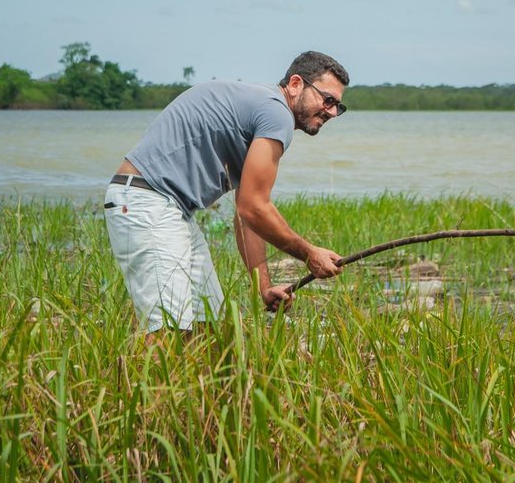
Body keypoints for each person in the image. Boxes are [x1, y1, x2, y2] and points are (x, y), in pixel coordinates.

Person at [104, 51, 349, 340]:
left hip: (171, 210)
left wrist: (263, 287)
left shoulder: (262, 110)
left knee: (209, 324)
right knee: (168, 330)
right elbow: (253, 208)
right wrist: (309, 254)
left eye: (338, 106)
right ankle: (143, 385)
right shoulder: (276, 114)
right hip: (147, 201)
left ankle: (199, 386)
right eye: (328, 100)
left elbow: (247, 218)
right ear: (296, 84)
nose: (332, 112)